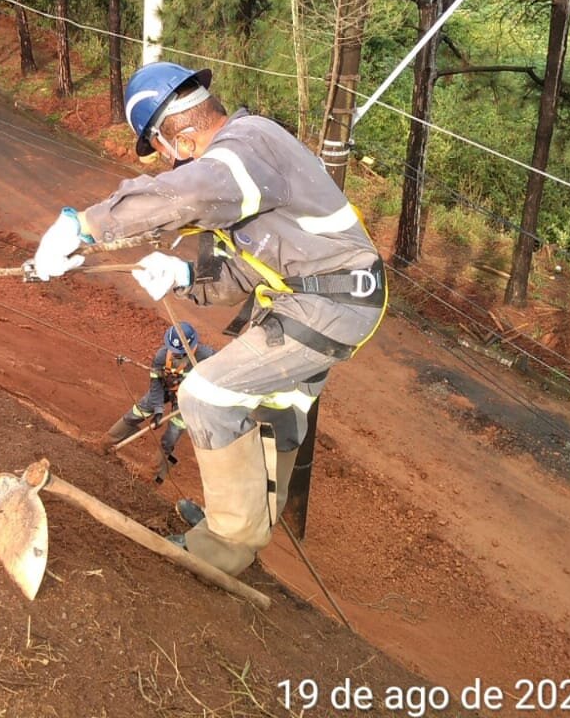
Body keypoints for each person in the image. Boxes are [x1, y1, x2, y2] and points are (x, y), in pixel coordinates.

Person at [31, 60, 387, 575]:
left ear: (178, 140)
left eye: (164, 155)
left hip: (331, 302)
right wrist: (183, 275)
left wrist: (84, 226)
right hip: (306, 297)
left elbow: (191, 193)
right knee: (279, 407)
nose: (170, 166)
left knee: (208, 393)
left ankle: (223, 547)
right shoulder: (247, 159)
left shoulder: (246, 147)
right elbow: (248, 265)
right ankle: (242, 524)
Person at [107, 322, 217, 482]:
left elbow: (222, 378)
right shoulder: (161, 356)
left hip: (189, 400)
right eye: (174, 351)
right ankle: (106, 442)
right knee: (138, 411)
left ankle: (153, 473)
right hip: (166, 388)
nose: (176, 355)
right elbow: (156, 384)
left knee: (172, 434)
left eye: (180, 352)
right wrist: (158, 409)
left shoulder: (208, 357)